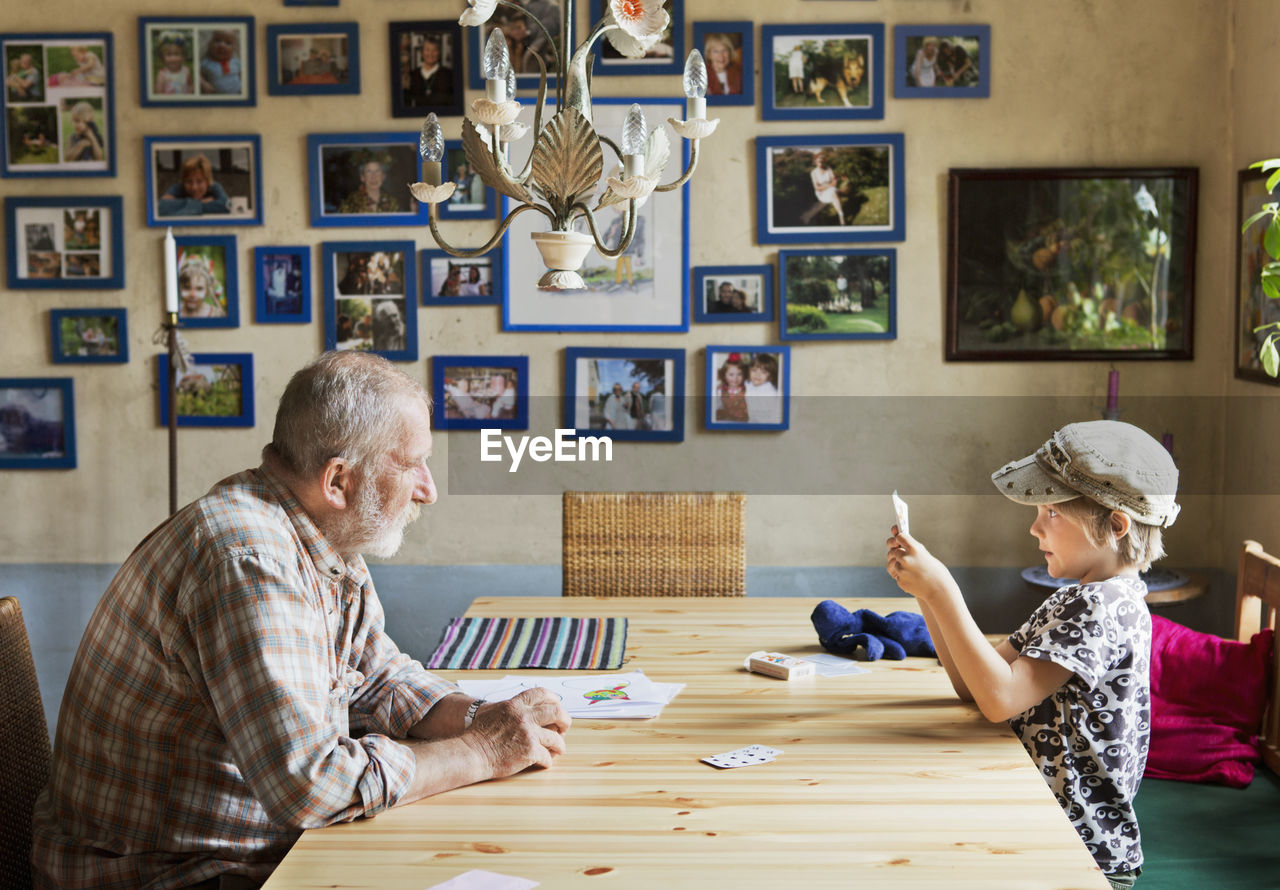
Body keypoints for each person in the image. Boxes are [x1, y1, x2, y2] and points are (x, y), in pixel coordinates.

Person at [30, 351, 572, 890]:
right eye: (411, 464)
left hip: (253, 853)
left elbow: (378, 676)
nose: (428, 489)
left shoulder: (318, 534)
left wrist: (482, 716)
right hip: (173, 874)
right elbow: (309, 787)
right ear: (338, 480)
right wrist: (481, 751)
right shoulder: (247, 559)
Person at [885, 420, 1180, 889]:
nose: (1035, 525)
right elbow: (973, 684)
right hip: (1043, 831)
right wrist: (924, 593)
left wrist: (943, 590)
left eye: (1051, 512)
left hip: (1076, 854)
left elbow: (999, 701)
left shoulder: (1101, 606)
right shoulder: (1082, 598)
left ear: (1115, 526)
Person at [159, 153, 231, 216]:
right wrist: (201, 202)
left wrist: (181, 206)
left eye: (199, 181)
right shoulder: (178, 188)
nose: (194, 187)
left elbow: (227, 206)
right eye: (189, 182)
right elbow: (161, 206)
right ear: (183, 181)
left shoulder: (214, 187)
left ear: (208, 181)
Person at [404, 34, 453, 107]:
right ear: (422, 52)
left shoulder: (448, 74)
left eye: (434, 50)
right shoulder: (413, 74)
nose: (431, 54)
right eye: (427, 50)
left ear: (439, 53)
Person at [800, 152, 846, 226]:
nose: (820, 162)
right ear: (815, 161)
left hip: (831, 189)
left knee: (833, 192)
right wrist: (829, 185)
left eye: (822, 160)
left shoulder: (828, 169)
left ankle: (841, 216)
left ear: (824, 161)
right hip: (821, 193)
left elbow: (835, 182)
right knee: (833, 192)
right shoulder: (813, 172)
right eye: (819, 160)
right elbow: (817, 188)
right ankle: (841, 215)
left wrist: (829, 185)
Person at [200, 29, 242, 95]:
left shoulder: (236, 62)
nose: (222, 45)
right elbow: (198, 75)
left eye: (228, 43)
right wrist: (204, 84)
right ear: (210, 45)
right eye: (217, 40)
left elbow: (242, 75)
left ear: (234, 49)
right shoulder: (206, 63)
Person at [744, 353, 781, 424]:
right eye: (754, 370)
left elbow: (775, 413)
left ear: (770, 376)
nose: (757, 375)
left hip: (769, 422)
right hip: (752, 421)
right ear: (749, 371)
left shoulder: (769, 391)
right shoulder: (749, 384)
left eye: (763, 372)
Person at [714, 355, 748, 423]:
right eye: (731, 374)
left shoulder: (747, 390)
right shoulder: (720, 390)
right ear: (724, 375)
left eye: (739, 374)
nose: (735, 378)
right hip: (726, 421)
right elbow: (717, 407)